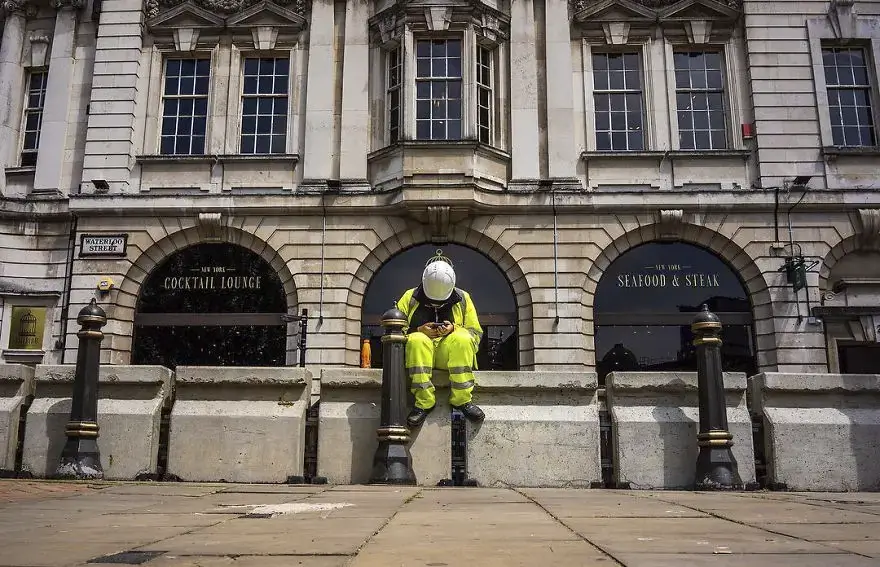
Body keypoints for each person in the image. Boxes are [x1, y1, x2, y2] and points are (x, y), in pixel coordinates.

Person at [395, 251, 486, 427]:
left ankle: (462, 400)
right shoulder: (409, 298)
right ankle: (424, 403)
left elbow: (475, 333)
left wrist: (454, 328)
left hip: (448, 355)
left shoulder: (463, 299)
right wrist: (418, 330)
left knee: (463, 338)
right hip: (421, 355)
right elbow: (395, 333)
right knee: (416, 339)